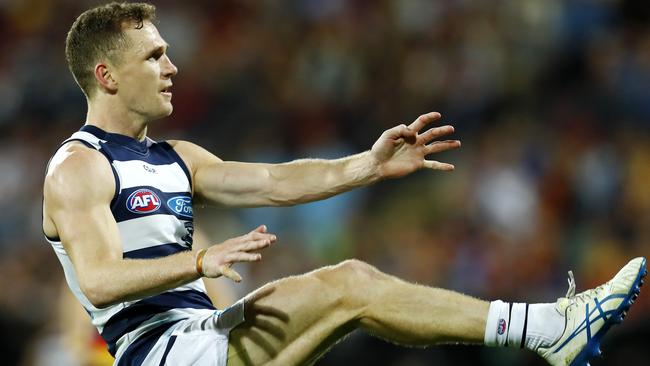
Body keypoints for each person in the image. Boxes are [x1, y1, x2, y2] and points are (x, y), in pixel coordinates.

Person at [42, 3, 645, 366]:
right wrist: (198, 261)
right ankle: (549, 329)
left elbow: (276, 182)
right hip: (164, 353)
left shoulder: (177, 156)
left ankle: (549, 331)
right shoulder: (78, 167)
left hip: (205, 339)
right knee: (349, 284)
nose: (172, 66)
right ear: (107, 75)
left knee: (355, 295)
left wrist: (368, 166)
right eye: (154, 56)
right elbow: (98, 278)